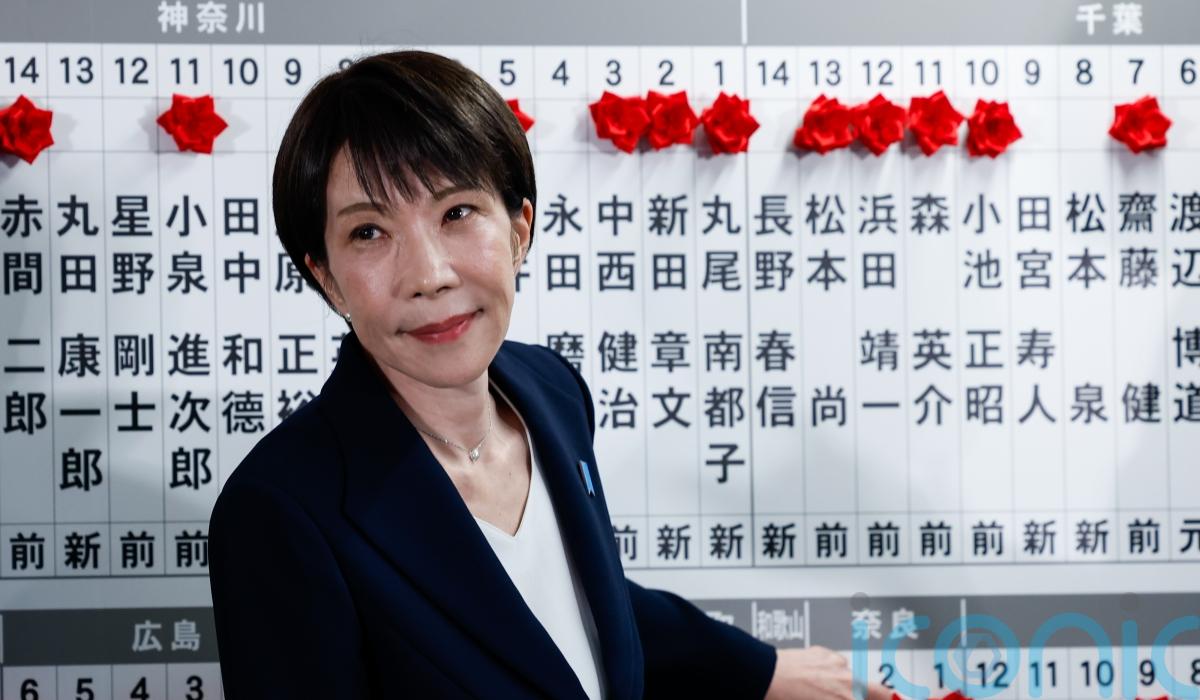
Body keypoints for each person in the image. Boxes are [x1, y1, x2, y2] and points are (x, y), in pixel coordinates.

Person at [207, 49, 894, 700]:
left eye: (457, 213)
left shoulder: (551, 391)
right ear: (325, 276)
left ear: (519, 229)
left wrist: (760, 670)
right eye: (369, 232)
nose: (429, 274)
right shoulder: (280, 511)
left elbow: (575, 605)